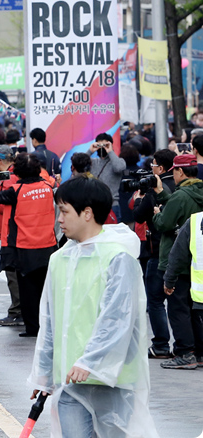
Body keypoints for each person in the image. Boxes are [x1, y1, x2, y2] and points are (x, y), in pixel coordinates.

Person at [28, 176, 159, 438]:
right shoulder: (60, 259)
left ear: (87, 213)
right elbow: (51, 323)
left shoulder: (118, 258)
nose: (59, 219)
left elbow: (119, 319)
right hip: (70, 380)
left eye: (64, 211)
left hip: (111, 380)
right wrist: (44, 375)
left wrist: (91, 362)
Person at [0, 153, 57, 338]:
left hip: (25, 247)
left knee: (27, 291)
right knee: (46, 291)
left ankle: (32, 328)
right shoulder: (48, 188)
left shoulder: (16, 191)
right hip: (48, 246)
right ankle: (48, 327)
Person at [150, 153, 203, 370]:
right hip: (197, 261)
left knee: (178, 308)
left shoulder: (180, 197)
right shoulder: (197, 192)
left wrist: (156, 213)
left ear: (180, 172)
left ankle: (184, 352)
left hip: (179, 261)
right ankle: (198, 353)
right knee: (195, 310)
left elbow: (164, 223)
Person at [130, 149, 175, 359]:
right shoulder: (180, 187)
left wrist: (139, 198)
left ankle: (161, 346)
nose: (151, 168)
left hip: (158, 250)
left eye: (153, 165)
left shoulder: (153, 192)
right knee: (180, 301)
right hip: (184, 252)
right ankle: (189, 345)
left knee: (155, 301)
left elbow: (138, 217)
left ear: (161, 168)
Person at [90, 134, 126, 219]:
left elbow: (118, 168)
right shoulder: (93, 162)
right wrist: (90, 151)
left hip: (112, 205)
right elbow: (78, 164)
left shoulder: (118, 161)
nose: (102, 148)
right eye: (99, 145)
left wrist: (110, 151)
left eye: (105, 145)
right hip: (94, 205)